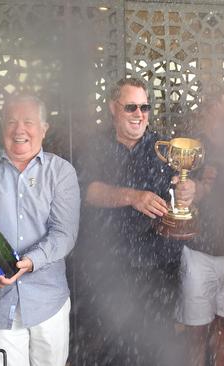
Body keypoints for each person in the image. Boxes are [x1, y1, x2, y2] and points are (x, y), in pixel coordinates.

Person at [0, 94, 80, 366]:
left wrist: (30, 262)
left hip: (48, 300)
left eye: (28, 122)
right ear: (2, 127)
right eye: (11, 121)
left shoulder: (61, 172)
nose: (19, 129)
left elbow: (64, 234)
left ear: (44, 128)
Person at [79, 77, 195, 365]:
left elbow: (178, 194)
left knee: (155, 345)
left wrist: (187, 192)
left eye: (145, 107)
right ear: (112, 108)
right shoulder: (94, 146)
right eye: (131, 107)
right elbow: (88, 192)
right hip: (109, 266)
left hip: (157, 266)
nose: (139, 114)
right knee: (109, 345)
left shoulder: (165, 149)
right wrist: (133, 197)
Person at [175, 88, 224, 366]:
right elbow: (189, 192)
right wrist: (194, 189)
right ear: (210, 112)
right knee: (196, 331)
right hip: (200, 252)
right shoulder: (193, 148)